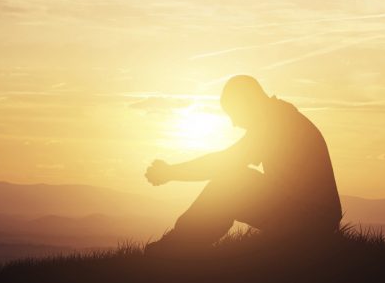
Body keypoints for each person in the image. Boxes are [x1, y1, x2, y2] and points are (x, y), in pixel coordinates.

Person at [144, 75, 342, 256]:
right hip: (315, 218)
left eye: (233, 113)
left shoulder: (276, 124)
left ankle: (175, 249)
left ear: (247, 103)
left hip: (311, 221)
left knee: (231, 182)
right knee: (234, 179)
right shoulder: (280, 117)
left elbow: (224, 162)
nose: (234, 123)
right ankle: (182, 245)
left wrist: (170, 172)